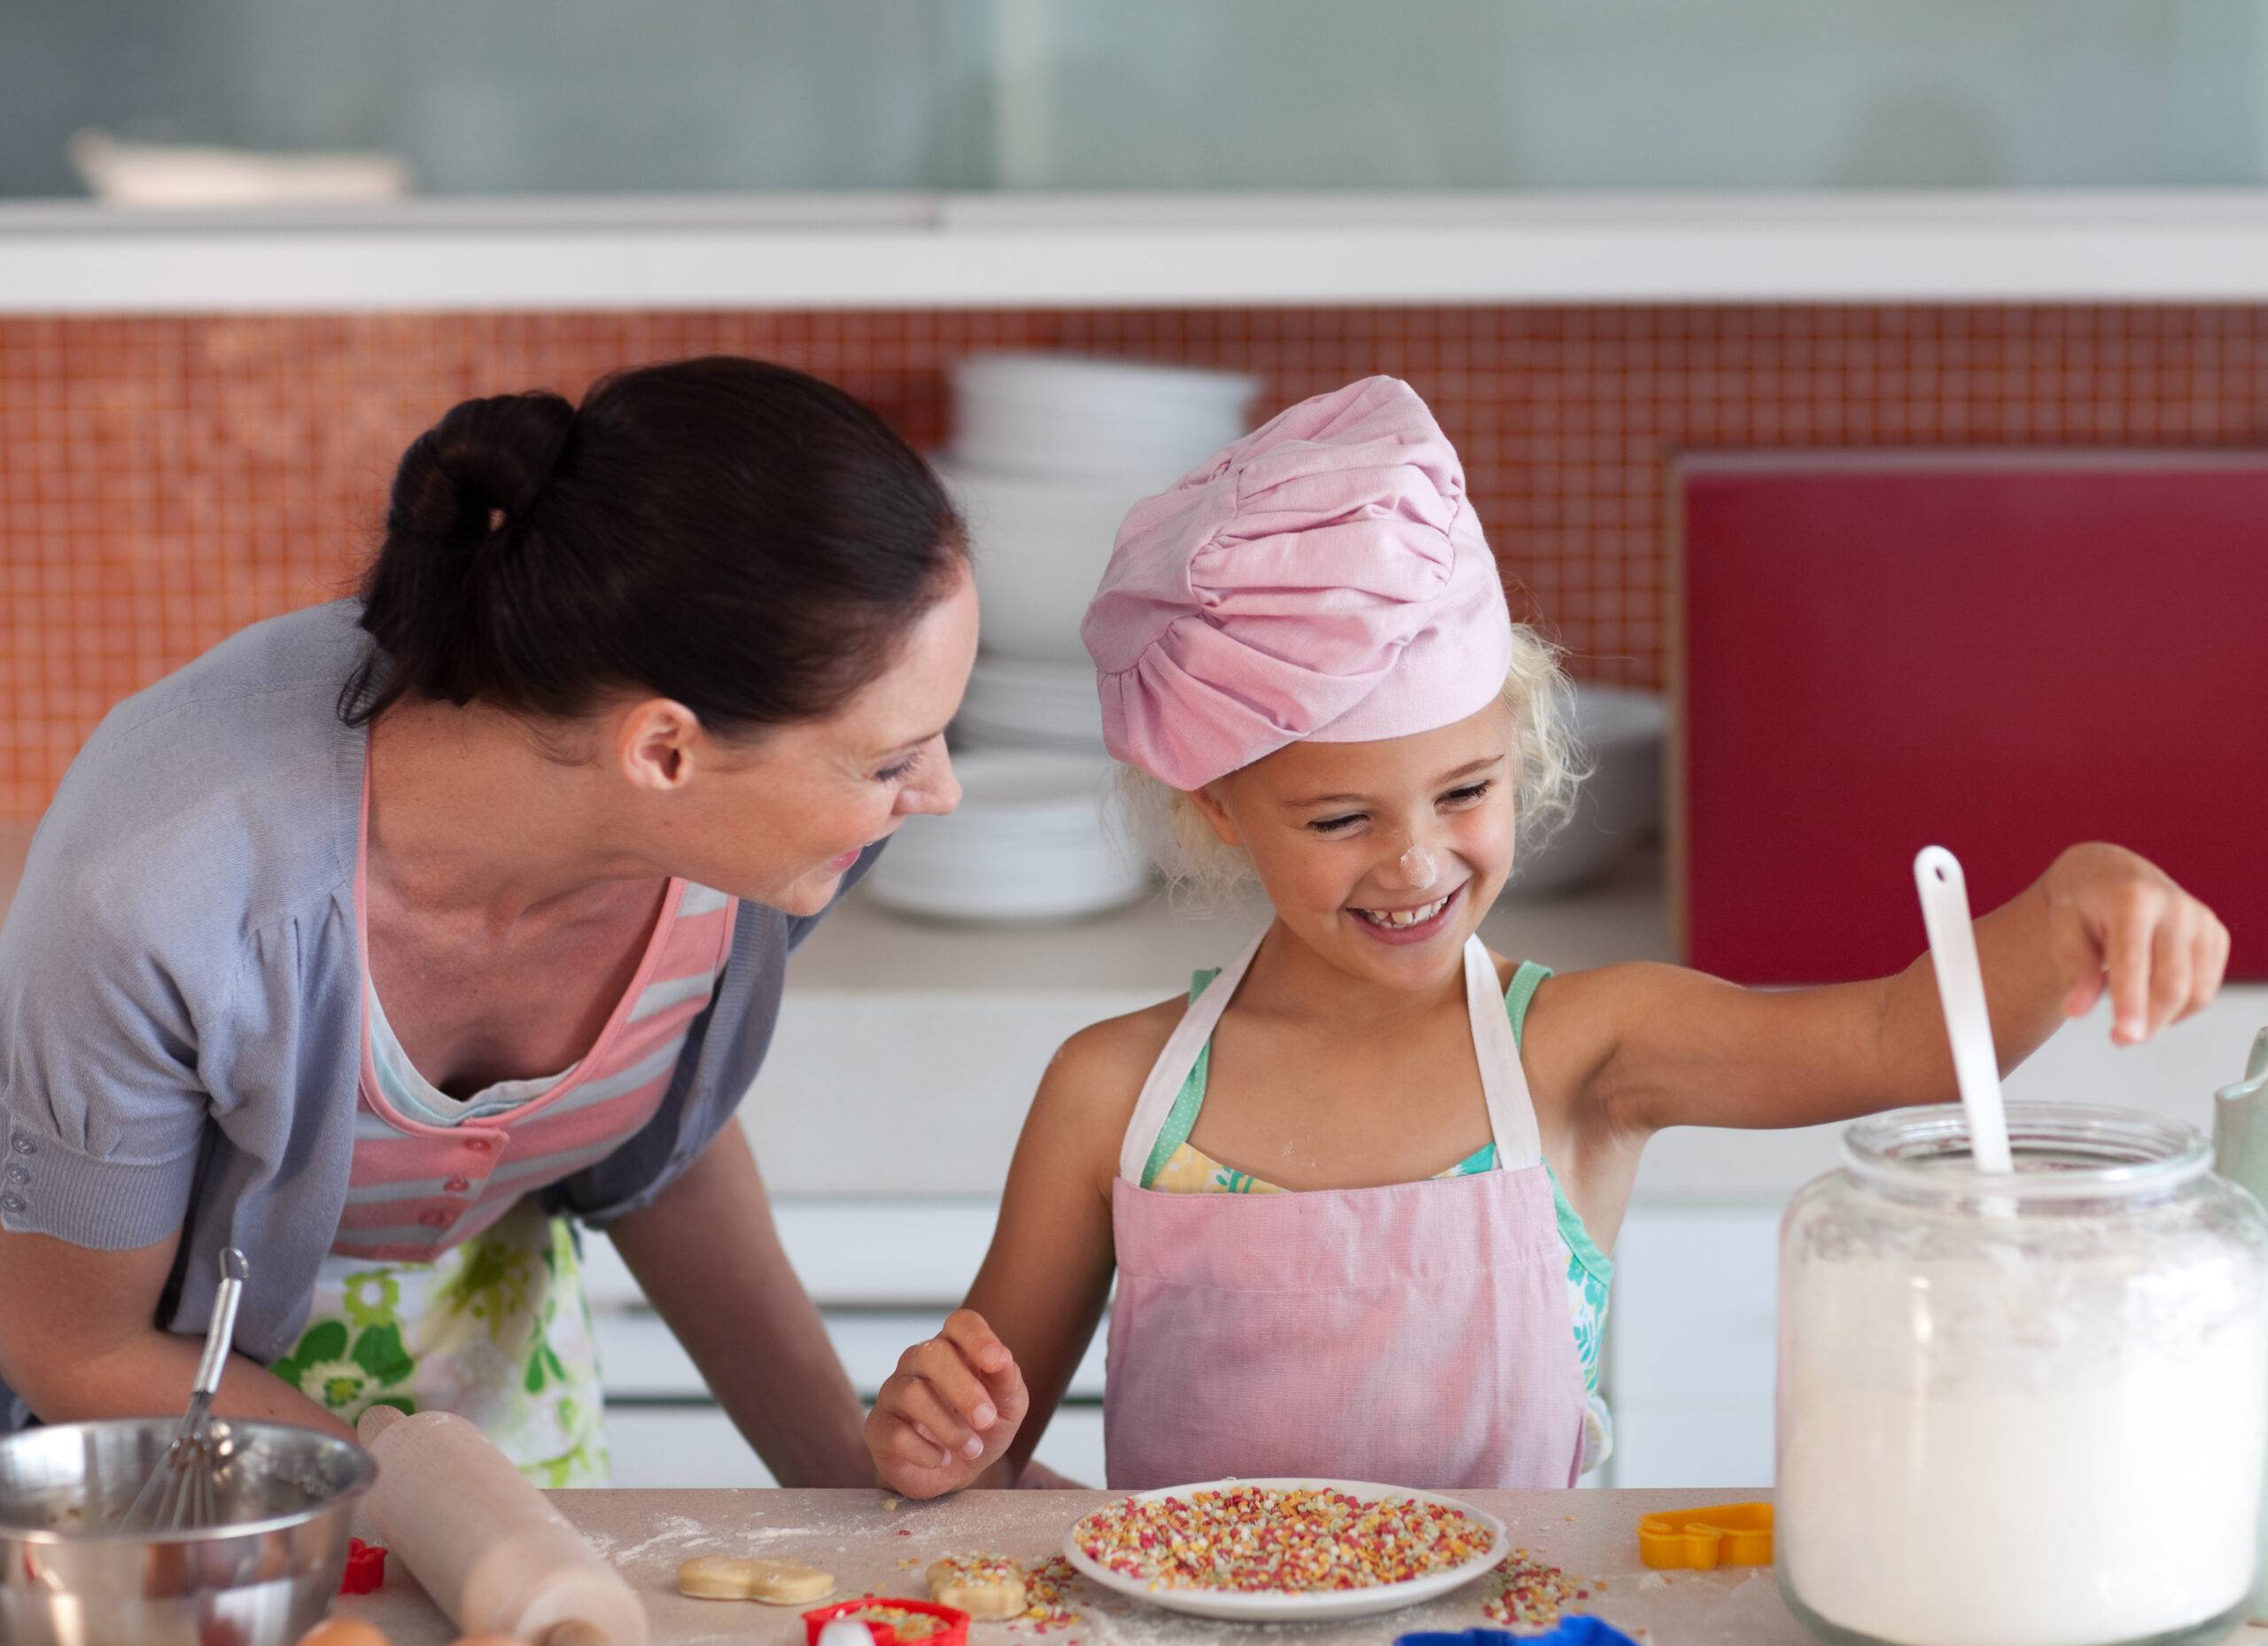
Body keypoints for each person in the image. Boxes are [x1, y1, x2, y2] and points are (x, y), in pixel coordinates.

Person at [865, 375, 2228, 1496]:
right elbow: (985, 1450)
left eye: (1466, 793)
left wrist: (2075, 902)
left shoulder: (1582, 1051)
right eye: (1340, 817)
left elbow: (1900, 1038)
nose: (1415, 860)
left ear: (1520, 752)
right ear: (1220, 809)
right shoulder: (1116, 1094)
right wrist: (936, 1434)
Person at [0, 356, 975, 1487]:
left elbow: (667, 1153)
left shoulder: (756, 851)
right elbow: (82, 1345)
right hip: (188, 1452)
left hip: (501, 1407)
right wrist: (451, 1520)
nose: (940, 791)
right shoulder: (162, 895)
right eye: (892, 757)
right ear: (664, 749)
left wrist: (859, 1491)